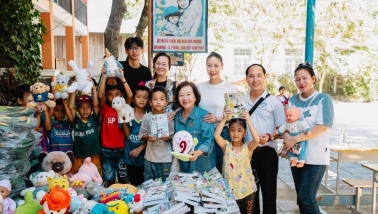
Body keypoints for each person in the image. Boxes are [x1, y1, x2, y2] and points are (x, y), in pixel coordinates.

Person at [281, 62, 334, 213]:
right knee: (301, 199)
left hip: (316, 157)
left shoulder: (323, 99)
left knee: (307, 198)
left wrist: (296, 138)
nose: (301, 82)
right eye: (297, 79)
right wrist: (286, 137)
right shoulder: (293, 100)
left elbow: (323, 126)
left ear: (313, 78)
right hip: (297, 156)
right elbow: (288, 123)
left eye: (305, 78)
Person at [244, 64, 286, 214]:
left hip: (268, 154)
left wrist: (270, 136)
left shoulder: (274, 102)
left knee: (269, 197)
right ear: (246, 79)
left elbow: (282, 128)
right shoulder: (240, 101)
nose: (255, 79)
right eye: (251, 76)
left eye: (259, 75)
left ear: (265, 77)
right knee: (250, 197)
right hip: (247, 154)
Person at [197, 51, 237, 174]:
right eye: (209, 65)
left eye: (216, 65)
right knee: (205, 172)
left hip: (222, 134)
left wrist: (218, 118)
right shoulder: (200, 86)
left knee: (222, 171)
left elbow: (235, 115)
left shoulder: (230, 88)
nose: (212, 69)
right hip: (203, 135)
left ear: (222, 67)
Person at [215, 110, 260, 213]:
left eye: (239, 130)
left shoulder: (247, 148)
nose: (235, 133)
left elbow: (257, 140)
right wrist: (224, 119)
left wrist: (248, 120)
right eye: (232, 130)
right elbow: (216, 136)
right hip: (229, 192)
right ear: (228, 131)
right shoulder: (226, 147)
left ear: (245, 132)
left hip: (247, 192)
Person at [97, 70, 133, 187]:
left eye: (117, 94)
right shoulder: (105, 108)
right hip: (106, 149)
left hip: (121, 149)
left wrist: (122, 78)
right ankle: (109, 198)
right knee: (109, 178)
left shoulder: (124, 107)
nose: (113, 97)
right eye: (110, 94)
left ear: (121, 95)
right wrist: (104, 77)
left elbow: (130, 95)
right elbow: (99, 95)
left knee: (123, 177)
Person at [174, 81, 216, 173]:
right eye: (181, 95)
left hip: (202, 166)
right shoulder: (177, 116)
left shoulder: (205, 115)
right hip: (184, 166)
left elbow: (208, 141)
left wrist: (197, 153)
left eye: (188, 94)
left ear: (195, 97)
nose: (185, 98)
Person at [139, 87, 174, 181]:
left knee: (165, 184)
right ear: (150, 102)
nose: (158, 102)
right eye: (155, 99)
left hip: (165, 159)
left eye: (162, 99)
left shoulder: (169, 118)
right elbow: (141, 135)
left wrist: (168, 138)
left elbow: (172, 137)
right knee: (149, 184)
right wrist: (148, 137)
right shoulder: (147, 117)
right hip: (149, 159)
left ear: (166, 102)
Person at [68, 80, 102, 175]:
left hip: (93, 155)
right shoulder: (76, 120)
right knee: (78, 179)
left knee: (95, 178)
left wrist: (94, 88)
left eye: (88, 107)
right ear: (78, 109)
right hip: (79, 155)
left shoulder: (94, 119)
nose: (85, 109)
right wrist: (74, 91)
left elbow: (96, 104)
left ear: (91, 108)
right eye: (82, 107)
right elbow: (71, 107)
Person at [124, 86, 150, 186]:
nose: (142, 100)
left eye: (145, 97)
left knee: (144, 185)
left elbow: (153, 138)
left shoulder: (149, 115)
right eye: (139, 97)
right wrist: (124, 119)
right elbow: (126, 134)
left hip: (144, 159)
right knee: (133, 185)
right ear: (133, 99)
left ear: (149, 100)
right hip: (130, 157)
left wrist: (140, 148)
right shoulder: (128, 113)